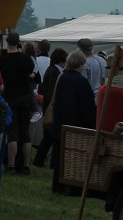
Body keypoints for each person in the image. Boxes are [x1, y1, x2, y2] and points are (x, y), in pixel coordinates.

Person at [50, 50, 96, 194]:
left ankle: (57, 186)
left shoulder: (62, 78)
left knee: (59, 157)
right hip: (75, 125)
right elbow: (87, 106)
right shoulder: (81, 82)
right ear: (80, 64)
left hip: (60, 122)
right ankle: (71, 188)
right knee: (74, 158)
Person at [0, 31, 37, 175]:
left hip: (10, 97)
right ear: (19, 42)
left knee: (12, 133)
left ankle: (12, 166)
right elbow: (33, 75)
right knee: (25, 132)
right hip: (25, 97)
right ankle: (26, 165)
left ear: (7, 42)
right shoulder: (26, 59)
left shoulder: (2, 60)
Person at [33, 48, 67, 168]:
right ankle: (43, 160)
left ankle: (40, 160)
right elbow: (52, 92)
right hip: (51, 108)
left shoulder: (52, 70)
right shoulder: (54, 72)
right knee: (49, 137)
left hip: (49, 107)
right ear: (61, 61)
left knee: (48, 137)